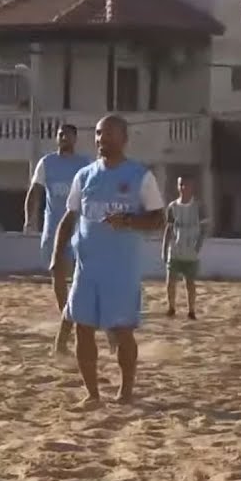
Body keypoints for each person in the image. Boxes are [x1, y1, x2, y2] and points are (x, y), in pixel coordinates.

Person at [51, 115, 165, 407]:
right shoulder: (84, 176)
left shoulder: (140, 175)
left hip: (121, 269)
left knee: (122, 330)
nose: (102, 139)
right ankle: (92, 394)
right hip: (87, 267)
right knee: (82, 328)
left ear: (124, 138)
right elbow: (69, 217)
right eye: (99, 134)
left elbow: (158, 219)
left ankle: (126, 392)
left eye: (110, 134)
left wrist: (128, 220)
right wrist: (57, 254)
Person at [24, 124, 95, 355]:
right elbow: (34, 191)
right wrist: (29, 219)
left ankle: (70, 323)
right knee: (57, 274)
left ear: (75, 138)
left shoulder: (85, 164)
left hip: (79, 231)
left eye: (68, 134)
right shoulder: (47, 163)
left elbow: (94, 194)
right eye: (60, 134)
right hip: (53, 229)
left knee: (79, 279)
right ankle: (67, 316)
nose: (64, 138)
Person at [162, 176, 205, 319]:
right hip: (175, 250)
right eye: (180, 185)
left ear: (192, 187)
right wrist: (164, 248)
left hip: (190, 252)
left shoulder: (199, 207)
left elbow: (203, 229)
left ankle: (191, 310)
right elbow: (168, 229)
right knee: (170, 281)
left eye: (186, 185)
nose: (183, 188)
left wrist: (197, 247)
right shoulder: (172, 207)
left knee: (190, 283)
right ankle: (171, 308)